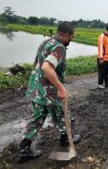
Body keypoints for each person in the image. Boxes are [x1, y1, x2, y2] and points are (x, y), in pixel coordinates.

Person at [17, 22, 80, 163]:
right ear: (67, 35)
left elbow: (40, 64)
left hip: (37, 89)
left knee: (37, 118)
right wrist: (61, 88)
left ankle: (24, 149)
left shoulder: (46, 42)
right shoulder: (59, 48)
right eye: (71, 37)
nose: (71, 40)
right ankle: (65, 139)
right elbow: (46, 67)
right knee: (64, 113)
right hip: (50, 91)